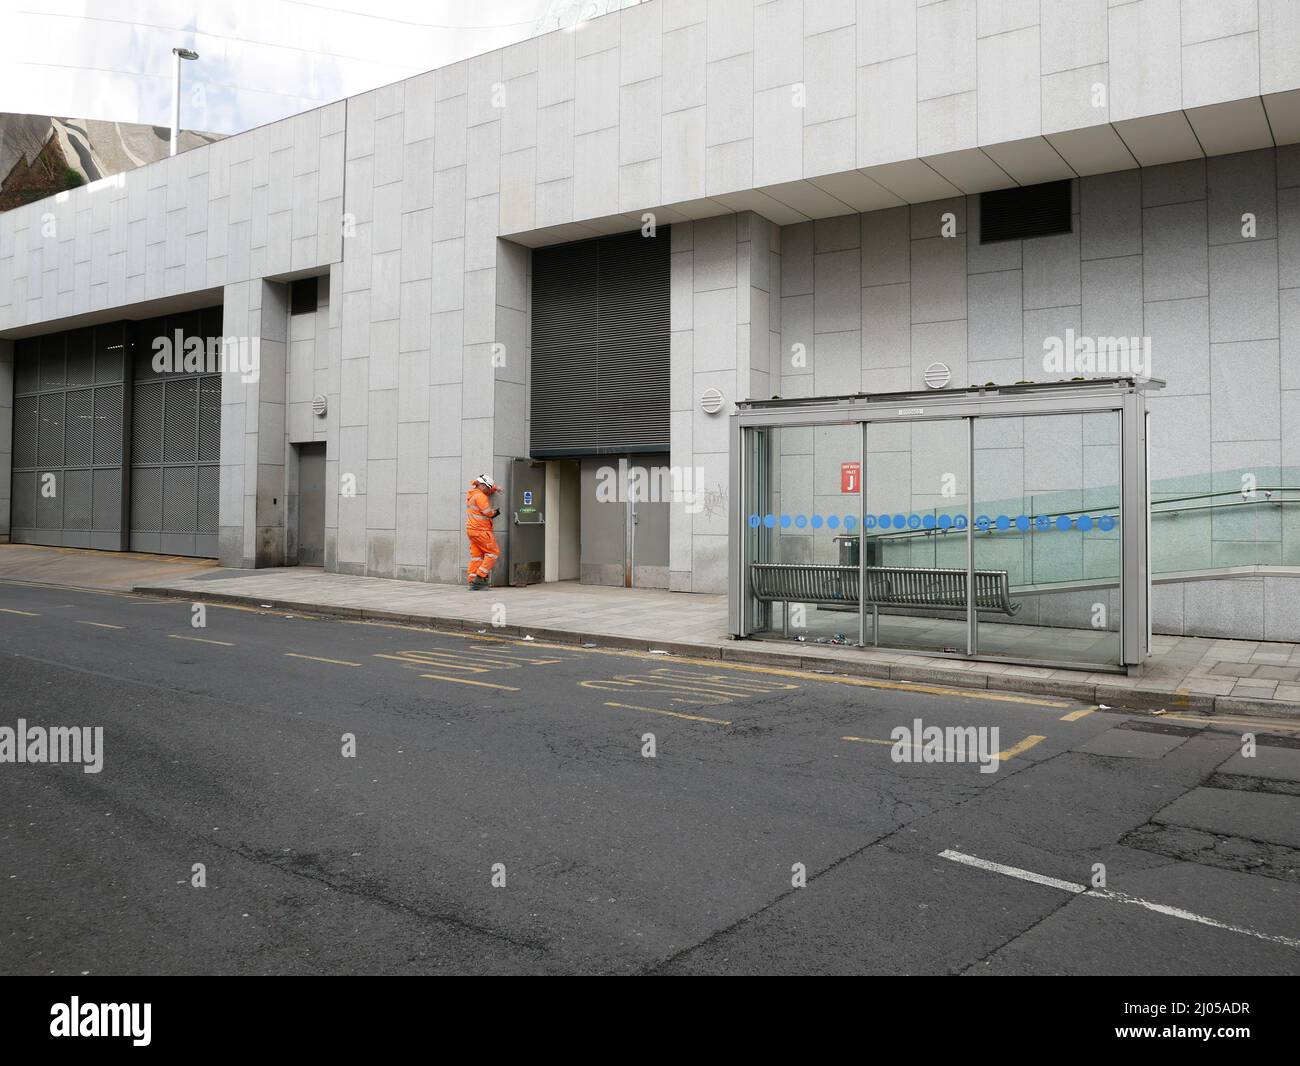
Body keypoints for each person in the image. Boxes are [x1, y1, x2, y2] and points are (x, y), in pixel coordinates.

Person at [465, 474, 502, 590]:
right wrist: (495, 512)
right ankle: (480, 578)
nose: (488, 490)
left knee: (477, 556)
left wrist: (495, 488)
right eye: (487, 487)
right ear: (481, 485)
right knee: (493, 552)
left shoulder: (472, 494)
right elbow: (487, 512)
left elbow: (486, 492)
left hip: (472, 530)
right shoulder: (481, 497)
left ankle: (472, 580)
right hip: (481, 530)